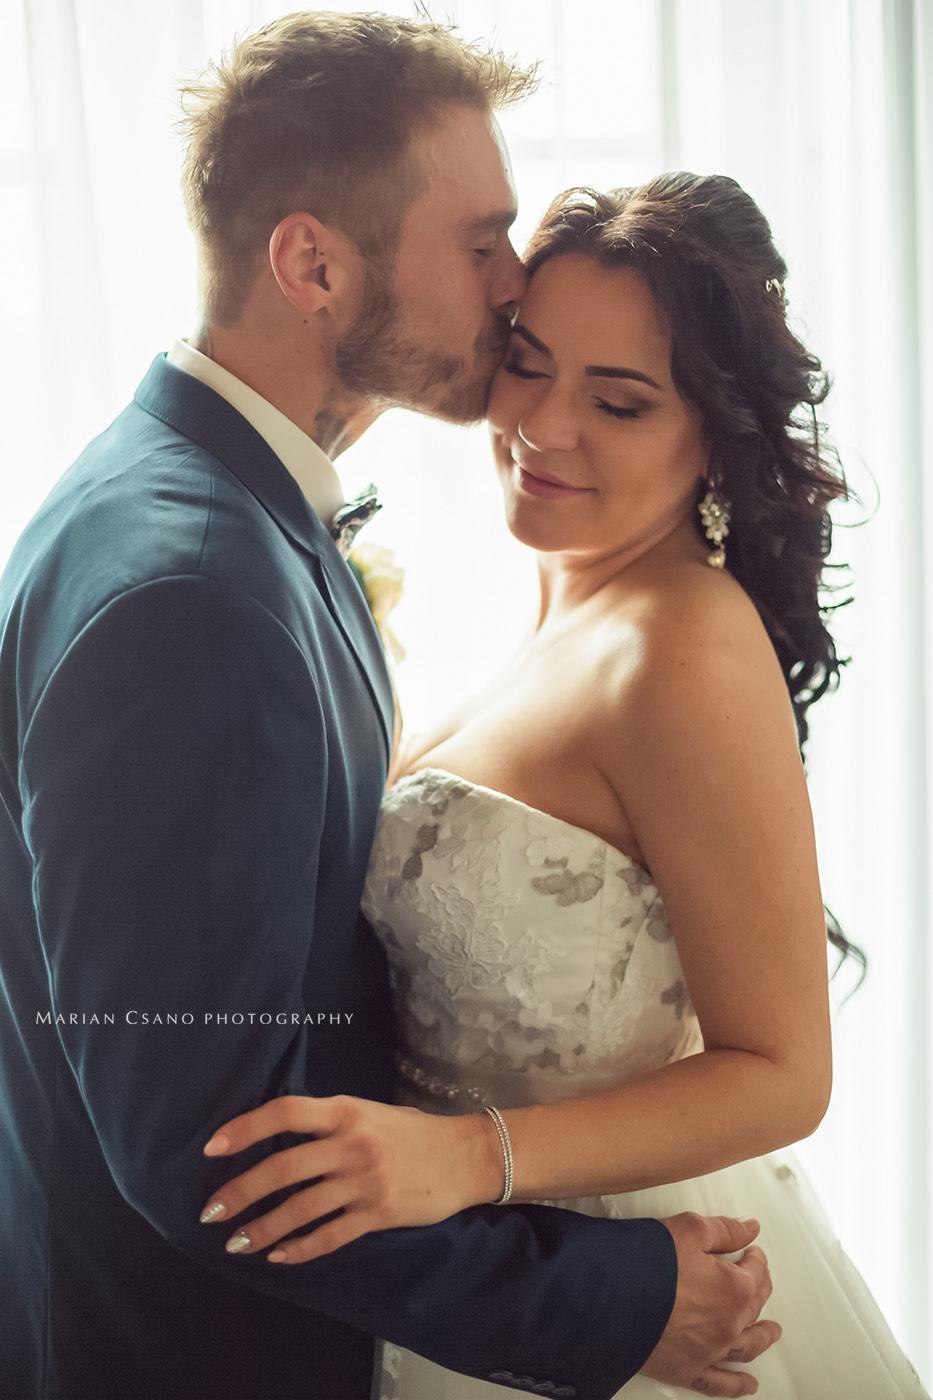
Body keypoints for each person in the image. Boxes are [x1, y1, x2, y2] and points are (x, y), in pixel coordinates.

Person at [0, 15, 777, 1400]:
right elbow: (199, 1139)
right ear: (313, 264)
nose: (514, 282)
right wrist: (608, 1301)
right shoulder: (193, 590)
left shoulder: (215, 508)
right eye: (481, 241)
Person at [196, 174, 931, 1400]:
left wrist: (463, 1159)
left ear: (717, 432)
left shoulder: (682, 647)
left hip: (621, 1270)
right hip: (472, 1266)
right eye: (528, 364)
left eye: (620, 400)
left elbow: (783, 1068)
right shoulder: (563, 604)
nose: (543, 423)